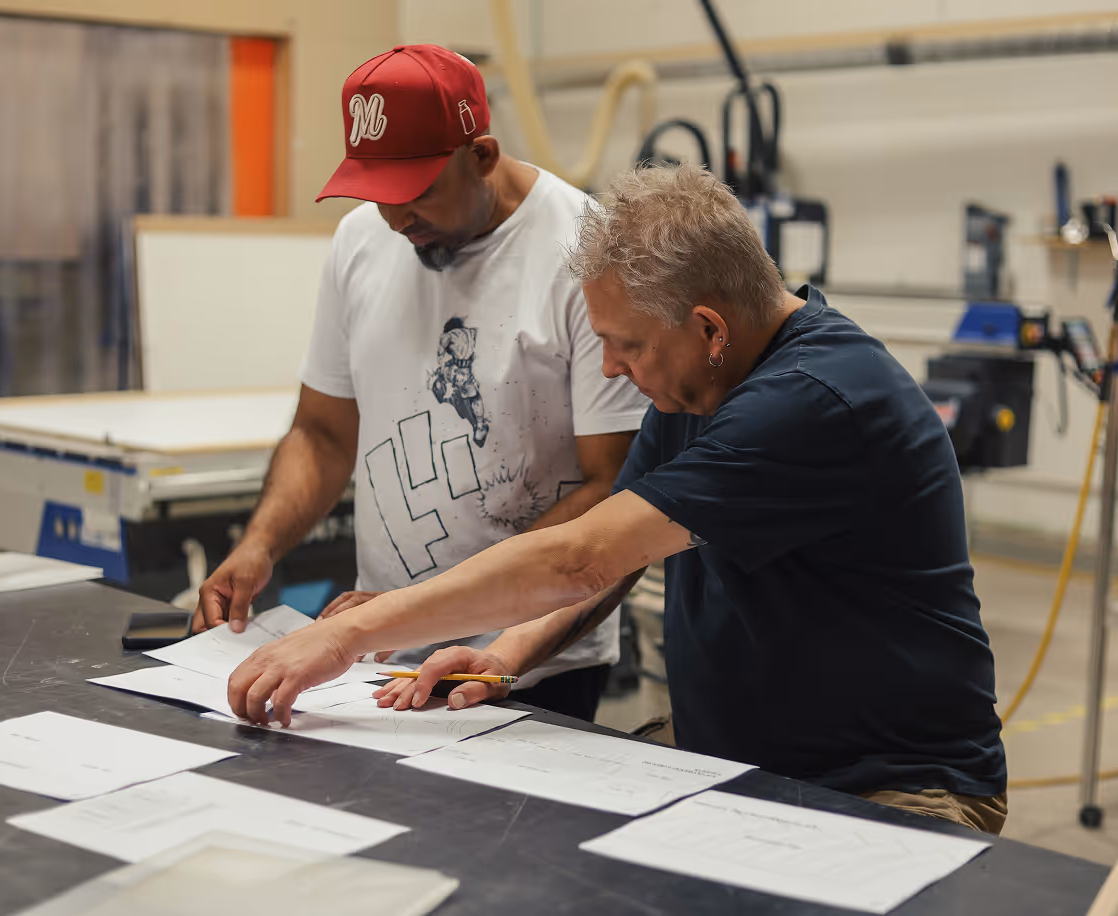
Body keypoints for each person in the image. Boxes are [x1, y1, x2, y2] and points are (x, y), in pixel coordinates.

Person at [227, 163, 1009, 835]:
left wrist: (348, 636)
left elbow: (578, 556)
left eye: (625, 344)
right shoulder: (700, 385)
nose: (607, 368)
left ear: (709, 327)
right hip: (738, 761)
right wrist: (503, 656)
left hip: (887, 783)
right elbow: (614, 553)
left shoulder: (813, 402)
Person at [193, 45, 648, 723]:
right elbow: (322, 434)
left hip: (522, 660)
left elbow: (610, 488)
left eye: (418, 192)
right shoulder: (359, 243)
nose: (398, 217)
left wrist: (419, 606)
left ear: (483, 155)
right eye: (379, 196)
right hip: (372, 650)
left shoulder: (584, 253)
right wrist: (259, 545)